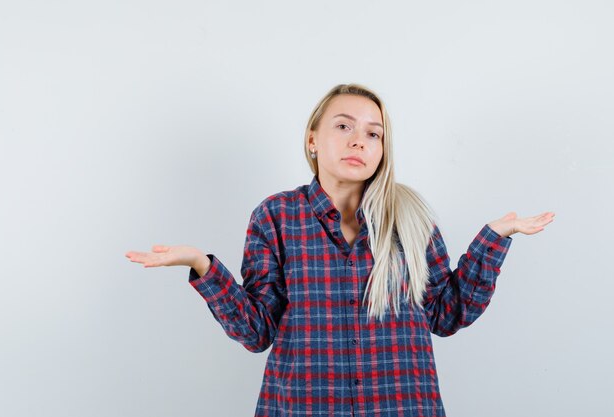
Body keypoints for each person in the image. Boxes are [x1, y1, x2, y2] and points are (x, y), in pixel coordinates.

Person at [125, 83, 555, 417]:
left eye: (373, 133)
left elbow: (446, 314)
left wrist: (495, 238)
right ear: (313, 139)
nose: (358, 141)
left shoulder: (411, 218)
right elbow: (257, 331)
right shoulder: (276, 216)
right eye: (344, 126)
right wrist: (202, 266)